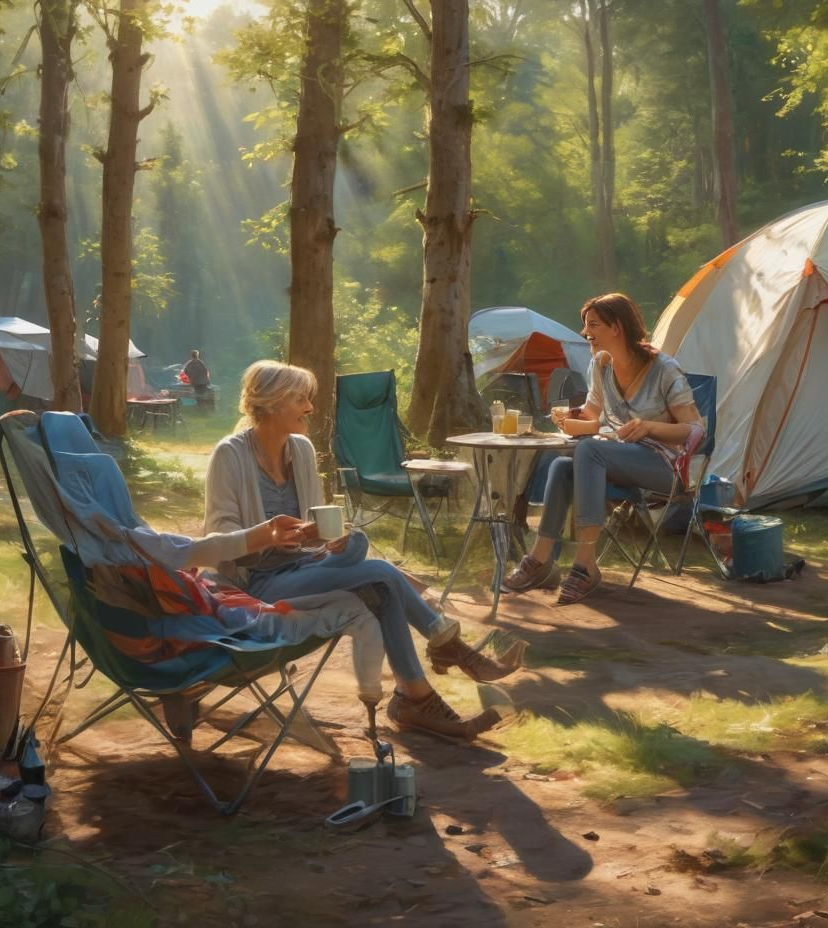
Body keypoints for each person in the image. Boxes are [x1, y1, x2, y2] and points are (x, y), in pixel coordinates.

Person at [204, 360, 524, 742]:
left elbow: (315, 529)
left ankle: (415, 697)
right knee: (384, 575)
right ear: (272, 403)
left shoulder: (301, 450)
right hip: (258, 584)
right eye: (300, 399)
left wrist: (328, 538)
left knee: (376, 576)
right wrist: (269, 537)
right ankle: (449, 651)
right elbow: (219, 537)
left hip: (305, 566)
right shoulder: (230, 455)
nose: (310, 407)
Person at [503, 292, 704, 606]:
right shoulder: (601, 365)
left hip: (667, 467)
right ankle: (540, 559)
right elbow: (592, 416)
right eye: (586, 326)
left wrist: (650, 426)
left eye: (593, 325)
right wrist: (570, 418)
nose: (586, 333)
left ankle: (585, 564)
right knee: (561, 466)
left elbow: (695, 431)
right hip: (620, 458)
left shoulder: (663, 369)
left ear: (617, 327)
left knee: (588, 451)